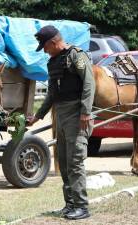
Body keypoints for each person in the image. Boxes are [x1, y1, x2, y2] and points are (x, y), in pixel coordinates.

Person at [27, 25, 95, 220]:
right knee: (64, 163)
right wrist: (38, 116)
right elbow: (51, 94)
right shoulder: (53, 62)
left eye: (45, 47)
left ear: (54, 42)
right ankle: (70, 204)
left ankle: (82, 206)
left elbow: (89, 83)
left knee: (75, 162)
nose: (45, 51)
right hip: (61, 115)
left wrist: (85, 112)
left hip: (76, 115)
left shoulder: (76, 55)